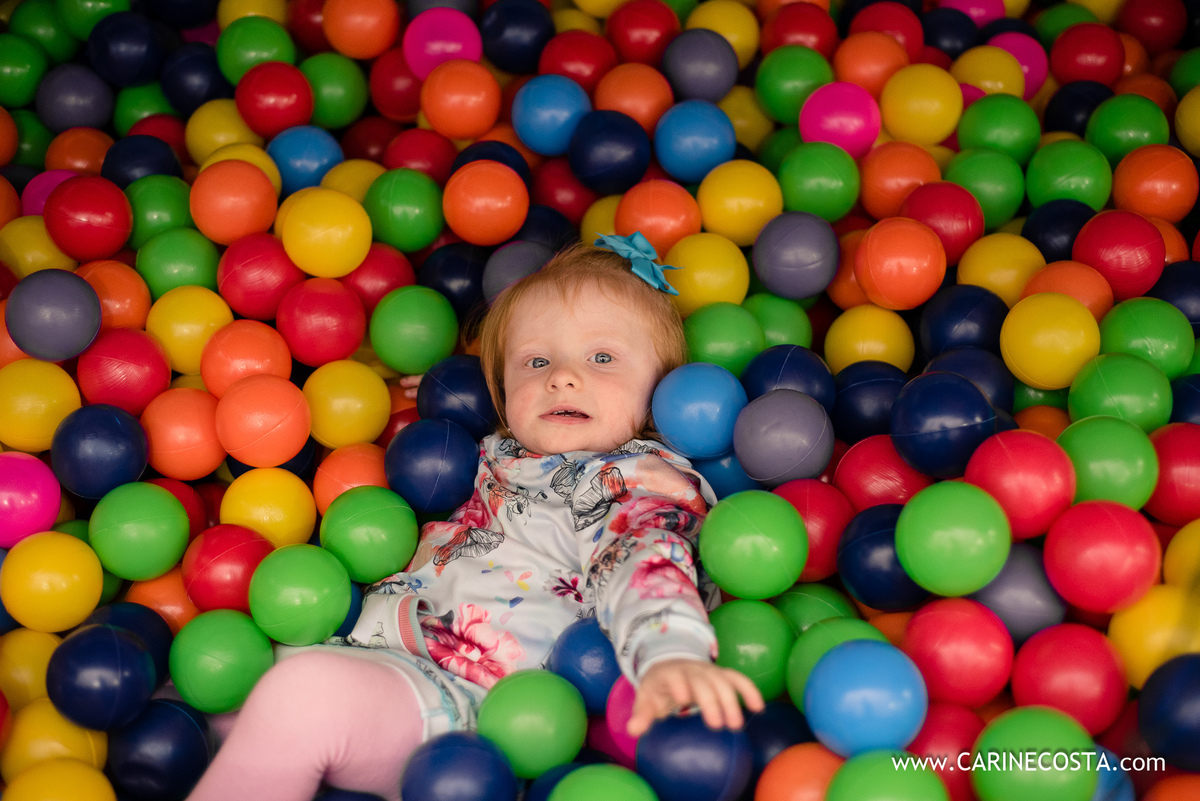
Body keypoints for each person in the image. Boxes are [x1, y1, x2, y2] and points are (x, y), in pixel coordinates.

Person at [186, 235, 764, 801]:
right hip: (372, 650)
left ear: (661, 392)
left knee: (299, 695)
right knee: (226, 692)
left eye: (603, 357)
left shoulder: (633, 479)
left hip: (467, 705)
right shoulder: (501, 450)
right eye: (536, 361)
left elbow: (643, 559)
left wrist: (671, 653)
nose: (561, 376)